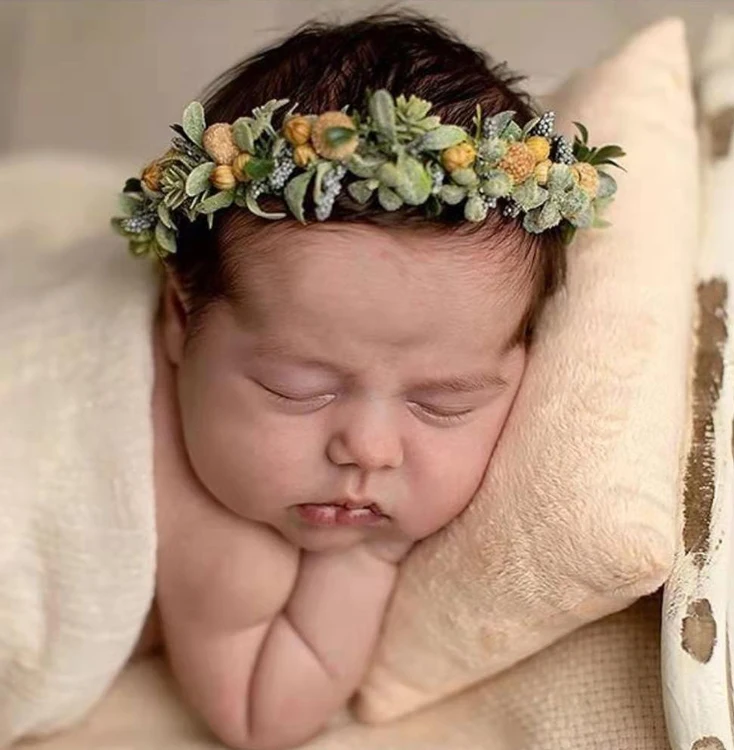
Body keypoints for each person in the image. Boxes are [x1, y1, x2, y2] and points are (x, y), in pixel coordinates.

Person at [113, 9, 622, 750]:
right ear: (176, 319)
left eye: (443, 402)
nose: (370, 449)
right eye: (297, 389)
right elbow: (261, 717)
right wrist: (371, 558)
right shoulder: (228, 549)